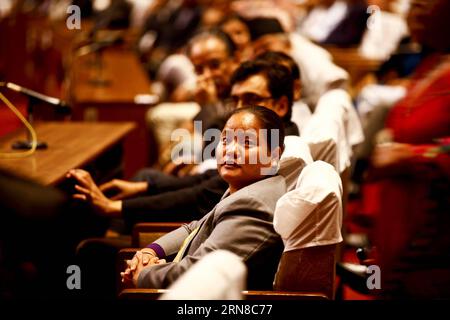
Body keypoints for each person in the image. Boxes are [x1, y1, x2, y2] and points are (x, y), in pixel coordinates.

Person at [121, 106, 286, 290]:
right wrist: (150, 251)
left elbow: (198, 274)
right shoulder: (250, 186)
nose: (230, 150)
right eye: (225, 140)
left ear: (273, 156)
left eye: (246, 143)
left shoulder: (254, 204)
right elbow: (197, 227)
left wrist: (143, 274)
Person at [367, 0, 450, 298]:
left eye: (426, 3)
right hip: (401, 229)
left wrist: (413, 156)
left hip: (435, 242)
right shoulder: (432, 62)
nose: (415, 8)